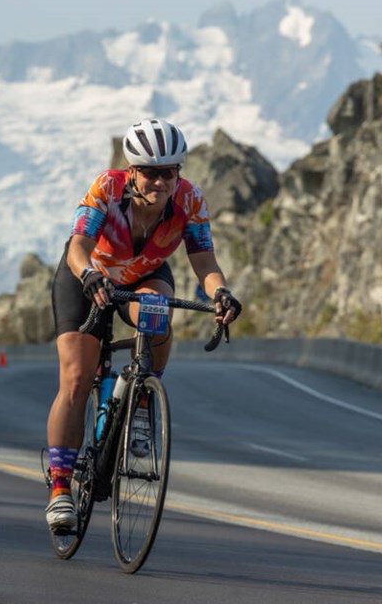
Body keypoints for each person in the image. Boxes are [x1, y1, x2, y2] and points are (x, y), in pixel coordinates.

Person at [44, 118, 242, 531]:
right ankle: (61, 487)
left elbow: (204, 262)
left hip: (143, 276)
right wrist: (89, 275)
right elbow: (78, 248)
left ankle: (142, 402)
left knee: (157, 313)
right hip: (88, 277)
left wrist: (221, 292)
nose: (160, 182)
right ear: (132, 171)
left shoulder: (189, 201)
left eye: (168, 172)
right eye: (150, 173)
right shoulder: (107, 188)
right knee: (78, 378)